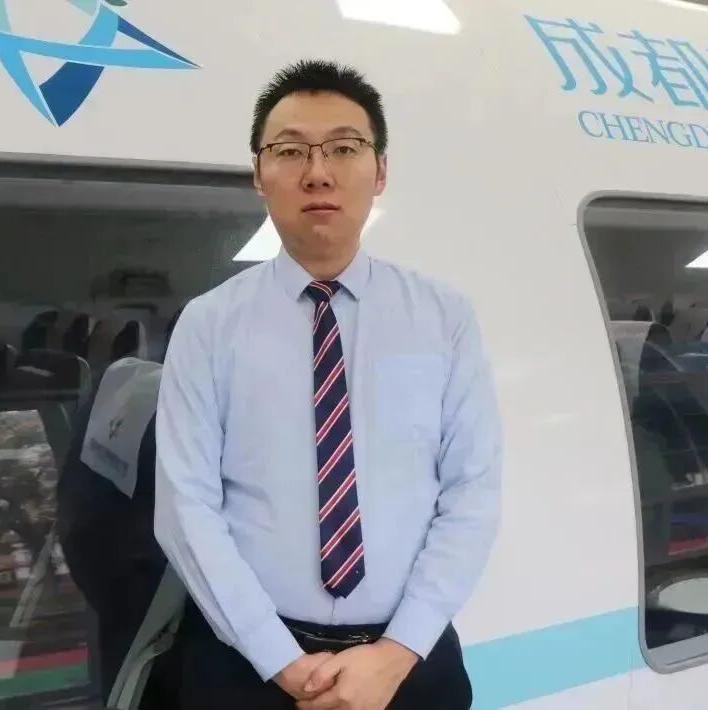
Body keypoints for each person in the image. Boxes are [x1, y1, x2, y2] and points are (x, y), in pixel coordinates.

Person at [155, 59, 502, 710]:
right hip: (245, 668)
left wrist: (397, 654)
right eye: (290, 151)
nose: (317, 172)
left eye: (344, 147)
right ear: (259, 173)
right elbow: (185, 508)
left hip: (410, 663)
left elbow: (471, 491)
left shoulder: (442, 317)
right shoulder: (208, 324)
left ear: (380, 170)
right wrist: (282, 662)